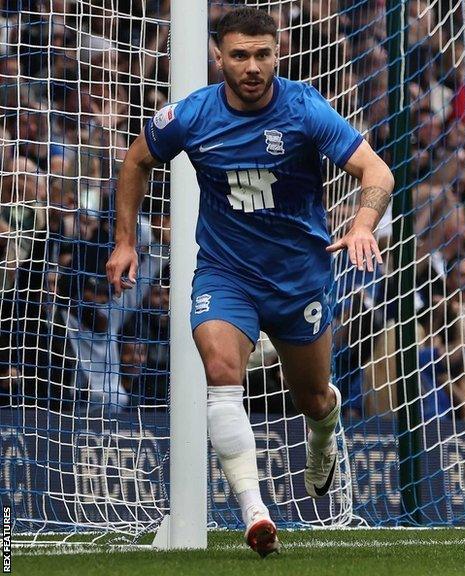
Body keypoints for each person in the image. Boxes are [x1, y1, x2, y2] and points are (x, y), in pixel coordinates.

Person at [105, 8, 394, 557]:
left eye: (263, 54)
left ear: (278, 53)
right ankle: (254, 512)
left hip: (297, 279)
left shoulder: (305, 109)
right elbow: (137, 159)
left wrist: (361, 226)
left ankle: (323, 435)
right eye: (240, 55)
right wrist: (124, 241)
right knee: (219, 370)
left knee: (311, 397)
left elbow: (377, 172)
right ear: (219, 56)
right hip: (225, 271)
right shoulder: (190, 116)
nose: (253, 67)